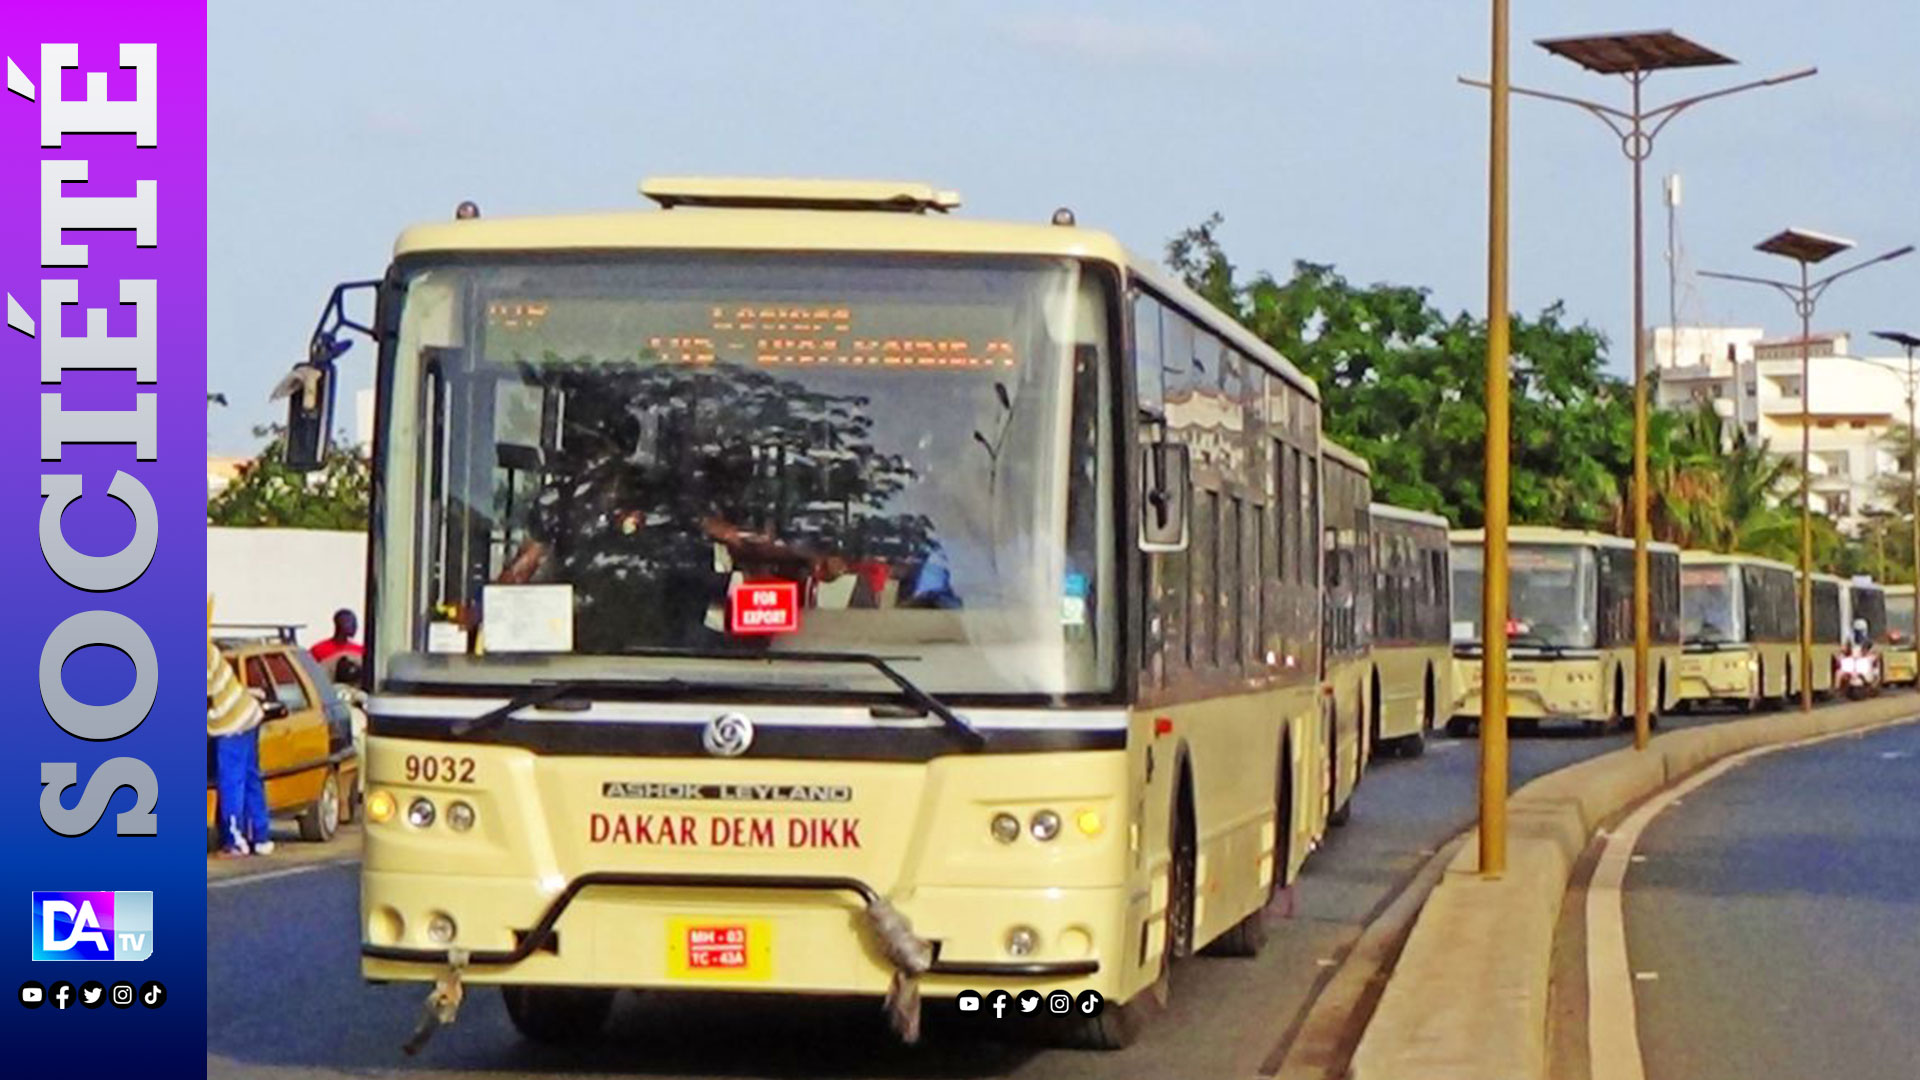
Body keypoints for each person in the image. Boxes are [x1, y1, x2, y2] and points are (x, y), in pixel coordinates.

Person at [208, 597, 272, 857]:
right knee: (250, 777)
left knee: (231, 780)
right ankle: (261, 836)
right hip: (249, 714)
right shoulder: (208, 649)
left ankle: (235, 840)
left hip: (231, 722)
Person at [311, 609, 365, 680]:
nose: (355, 627)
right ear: (341, 623)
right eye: (352, 623)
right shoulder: (318, 650)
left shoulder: (360, 650)